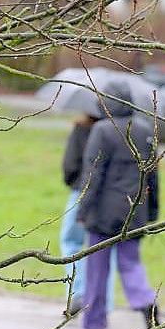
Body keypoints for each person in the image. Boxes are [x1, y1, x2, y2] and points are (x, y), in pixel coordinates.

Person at [77, 81, 161, 329]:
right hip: (135, 211)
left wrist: (83, 208)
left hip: (102, 215)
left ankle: (94, 326)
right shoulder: (146, 130)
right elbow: (152, 176)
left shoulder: (102, 130)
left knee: (97, 272)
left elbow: (93, 174)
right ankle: (146, 301)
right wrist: (153, 212)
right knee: (130, 264)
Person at [60, 115, 116, 315]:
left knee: (72, 242)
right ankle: (104, 302)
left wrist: (76, 182)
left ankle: (78, 292)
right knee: (104, 249)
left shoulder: (82, 128)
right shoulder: (119, 130)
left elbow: (70, 166)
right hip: (109, 197)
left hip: (80, 192)